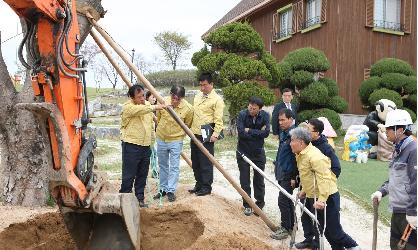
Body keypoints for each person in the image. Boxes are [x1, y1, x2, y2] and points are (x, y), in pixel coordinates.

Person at [289, 127, 360, 250]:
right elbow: (307, 176)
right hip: (314, 196)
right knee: (325, 230)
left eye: (292, 140)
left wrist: (322, 200)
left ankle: (354, 247)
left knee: (334, 231)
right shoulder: (300, 154)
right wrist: (304, 190)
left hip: (327, 197)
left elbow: (324, 178)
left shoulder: (315, 156)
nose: (290, 143)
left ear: (300, 142)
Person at [371, 109, 416, 250]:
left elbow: (417, 183)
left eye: (389, 129)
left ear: (400, 130)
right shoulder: (398, 149)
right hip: (397, 211)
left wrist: (413, 213)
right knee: (395, 247)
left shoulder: (414, 150)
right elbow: (395, 178)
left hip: (409, 214)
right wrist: (381, 191)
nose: (386, 132)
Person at [295, 118, 342, 249]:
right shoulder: (305, 143)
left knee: (320, 221)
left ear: (317, 133)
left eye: (309, 130)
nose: (306, 131)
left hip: (320, 191)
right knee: (305, 215)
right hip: (306, 188)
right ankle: (308, 239)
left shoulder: (325, 148)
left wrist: (324, 185)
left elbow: (336, 168)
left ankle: (317, 244)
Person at [119, 84, 165, 208]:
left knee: (142, 174)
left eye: (143, 95)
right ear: (131, 97)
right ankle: (125, 199)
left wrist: (151, 141)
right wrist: (155, 106)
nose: (142, 99)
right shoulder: (128, 107)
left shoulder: (147, 106)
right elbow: (139, 110)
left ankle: (140, 198)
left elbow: (150, 125)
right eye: (139, 97)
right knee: (129, 174)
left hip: (145, 146)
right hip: (131, 145)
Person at [153, 85, 193, 202]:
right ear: (170, 94)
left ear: (182, 98)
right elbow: (159, 118)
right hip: (161, 138)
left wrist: (180, 135)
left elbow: (188, 124)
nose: (174, 101)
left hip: (176, 140)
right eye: (173, 97)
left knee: (174, 166)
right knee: (163, 165)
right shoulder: (163, 102)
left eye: (178, 99)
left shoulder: (188, 108)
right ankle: (163, 189)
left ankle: (171, 190)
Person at [189, 72, 224, 196]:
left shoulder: (217, 100)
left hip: (207, 132)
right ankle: (198, 184)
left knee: (205, 162)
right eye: (200, 85)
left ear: (211, 84)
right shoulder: (197, 96)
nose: (202, 88)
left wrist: (215, 134)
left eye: (204, 85)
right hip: (194, 131)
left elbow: (219, 120)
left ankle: (206, 187)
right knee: (195, 160)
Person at [236, 96, 270, 216]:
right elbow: (241, 132)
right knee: (244, 179)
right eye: (250, 107)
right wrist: (257, 132)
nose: (251, 110)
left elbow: (266, 133)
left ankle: (259, 204)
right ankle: (247, 204)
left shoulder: (265, 116)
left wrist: (249, 130)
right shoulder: (242, 114)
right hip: (243, 151)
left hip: (258, 152)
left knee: (259, 179)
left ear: (259, 109)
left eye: (254, 108)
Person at [271, 108, 298, 240]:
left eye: (283, 120)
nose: (280, 122)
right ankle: (292, 225)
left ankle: (286, 228)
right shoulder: (284, 133)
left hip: (289, 173)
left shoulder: (294, 135)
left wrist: (294, 176)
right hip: (282, 171)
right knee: (286, 199)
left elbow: (297, 158)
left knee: (283, 200)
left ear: (291, 119)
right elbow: (283, 152)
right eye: (279, 120)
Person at [145, 91, 158, 179]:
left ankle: (154, 172)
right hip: (146, 138)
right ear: (147, 97)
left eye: (155, 98)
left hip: (152, 138)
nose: (154, 99)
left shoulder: (153, 110)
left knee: (153, 154)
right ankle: (153, 172)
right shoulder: (146, 109)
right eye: (152, 97)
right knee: (151, 155)